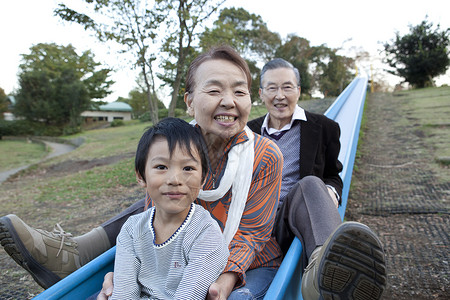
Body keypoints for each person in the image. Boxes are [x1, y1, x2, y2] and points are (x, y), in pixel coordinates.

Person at [0, 45, 284, 299]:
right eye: (214, 90)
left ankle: (77, 255)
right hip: (174, 263)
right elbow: (152, 227)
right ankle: (75, 255)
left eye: (239, 91)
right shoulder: (167, 146)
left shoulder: (265, 156)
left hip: (246, 266)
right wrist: (125, 278)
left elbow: (251, 235)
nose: (229, 101)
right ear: (189, 101)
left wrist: (223, 279)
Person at [247, 58, 387, 299]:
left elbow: (333, 175)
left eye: (287, 87)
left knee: (313, 183)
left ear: (298, 91)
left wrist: (329, 193)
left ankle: (325, 267)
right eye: (272, 88)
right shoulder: (247, 133)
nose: (280, 95)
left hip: (291, 219)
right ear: (261, 93)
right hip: (255, 222)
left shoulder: (324, 128)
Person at [110, 117, 229, 299]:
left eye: (188, 168)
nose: (175, 179)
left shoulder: (206, 234)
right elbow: (123, 294)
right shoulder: (131, 230)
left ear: (203, 178)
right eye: (161, 166)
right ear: (141, 176)